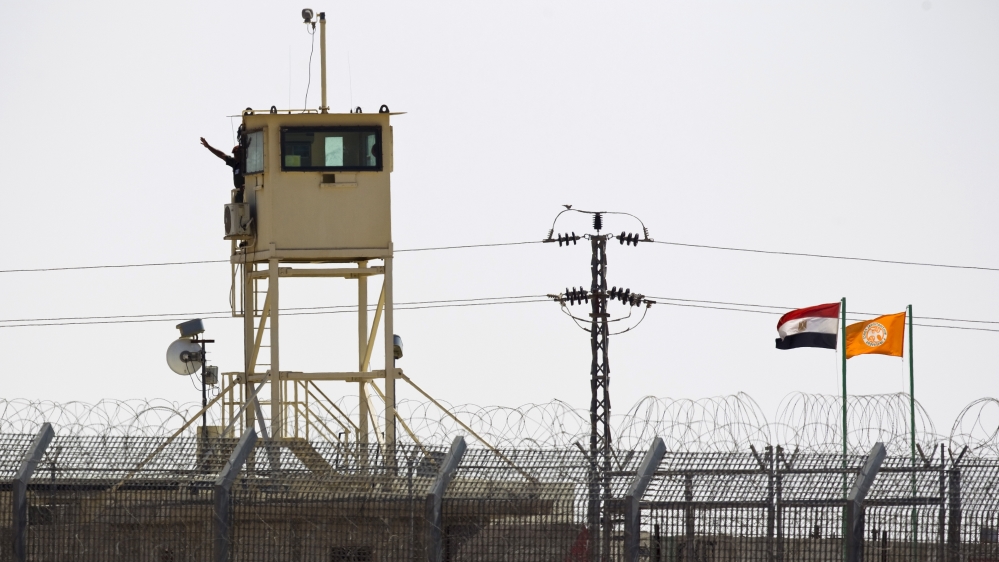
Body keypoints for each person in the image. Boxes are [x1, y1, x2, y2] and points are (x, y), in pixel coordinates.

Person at [200, 136, 247, 202]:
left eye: (237, 154)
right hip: (239, 193)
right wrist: (208, 146)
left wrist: (246, 185)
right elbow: (222, 155)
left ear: (241, 154)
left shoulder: (247, 163)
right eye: (234, 155)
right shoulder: (234, 163)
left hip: (248, 193)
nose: (235, 156)